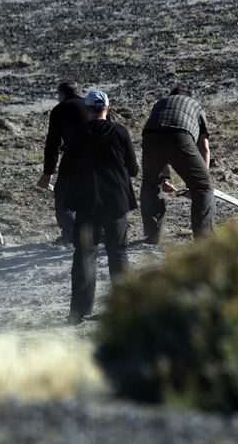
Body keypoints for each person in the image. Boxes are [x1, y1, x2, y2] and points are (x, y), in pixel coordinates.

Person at [59, 90, 139, 325]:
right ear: (108, 108)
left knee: (85, 256)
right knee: (118, 254)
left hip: (86, 203)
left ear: (88, 110)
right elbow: (133, 168)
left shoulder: (78, 133)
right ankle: (125, 309)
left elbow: (64, 170)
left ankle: (79, 313)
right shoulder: (121, 132)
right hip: (116, 202)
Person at [140, 87, 215, 244]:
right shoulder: (195, 105)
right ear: (189, 97)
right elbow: (204, 146)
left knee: (150, 184)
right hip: (180, 136)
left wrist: (163, 178)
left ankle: (154, 235)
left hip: (150, 137)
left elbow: (161, 137)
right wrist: (203, 176)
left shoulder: (161, 103)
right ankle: (204, 238)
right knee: (203, 186)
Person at [36, 81, 89, 245]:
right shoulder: (91, 104)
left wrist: (48, 172)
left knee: (63, 194)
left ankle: (71, 233)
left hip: (73, 156)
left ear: (63, 94)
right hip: (98, 156)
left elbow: (53, 143)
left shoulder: (60, 109)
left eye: (58, 95)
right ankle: (98, 233)